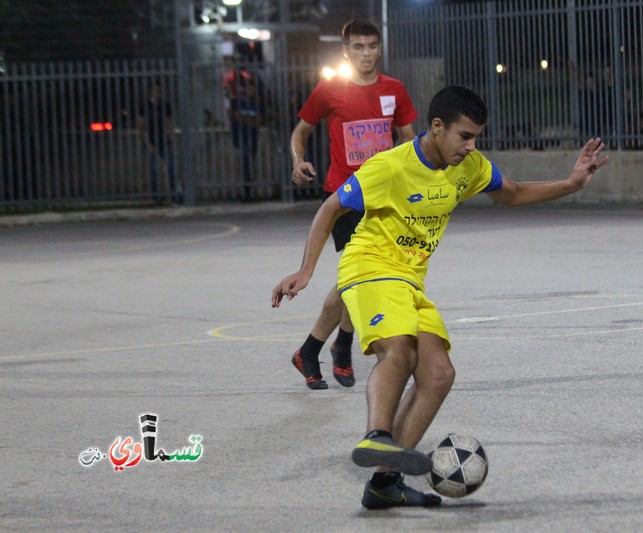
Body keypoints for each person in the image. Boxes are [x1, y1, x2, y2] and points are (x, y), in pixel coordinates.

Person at [272, 85, 607, 508]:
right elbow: (330, 209)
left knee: (438, 375)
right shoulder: (390, 166)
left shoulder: (467, 167)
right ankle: (377, 436)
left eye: (476, 138)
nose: (471, 147)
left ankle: (384, 485)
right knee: (399, 351)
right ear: (436, 127)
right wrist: (306, 269)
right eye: (465, 136)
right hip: (370, 267)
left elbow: (515, 193)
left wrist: (573, 183)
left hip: (410, 280)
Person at [288, 19, 417, 390]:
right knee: (354, 279)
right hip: (344, 197)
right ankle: (325, 349)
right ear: (346, 51)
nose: (366, 53)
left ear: (380, 48)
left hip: (385, 199)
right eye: (358, 47)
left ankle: (325, 349)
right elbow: (301, 131)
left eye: (372, 46)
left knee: (363, 278)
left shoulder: (395, 90)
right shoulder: (330, 91)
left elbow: (409, 142)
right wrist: (298, 160)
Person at [137, 80, 180, 205]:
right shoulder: (144, 106)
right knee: (153, 170)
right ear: (150, 91)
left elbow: (169, 124)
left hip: (164, 140)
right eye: (155, 90)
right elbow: (141, 127)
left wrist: (171, 140)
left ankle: (174, 195)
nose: (157, 93)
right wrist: (148, 143)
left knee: (171, 167)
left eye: (159, 90)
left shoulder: (165, 105)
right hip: (151, 140)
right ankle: (157, 197)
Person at [231, 76, 265, 201]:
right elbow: (236, 117)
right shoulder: (239, 102)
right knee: (246, 162)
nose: (251, 90)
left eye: (253, 88)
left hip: (253, 137)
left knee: (252, 164)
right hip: (241, 137)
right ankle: (247, 192)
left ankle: (250, 192)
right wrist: (250, 121)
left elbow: (259, 121)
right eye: (249, 87)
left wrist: (246, 120)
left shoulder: (256, 104)